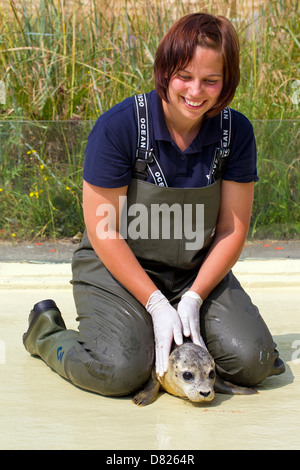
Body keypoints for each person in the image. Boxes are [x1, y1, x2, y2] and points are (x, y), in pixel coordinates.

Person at [23, 12, 285, 396]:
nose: (196, 92)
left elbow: (231, 228)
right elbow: (104, 229)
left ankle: (182, 330)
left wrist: (194, 295)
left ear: (226, 82)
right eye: (185, 76)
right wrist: (156, 303)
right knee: (119, 371)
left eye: (211, 80)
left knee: (254, 362)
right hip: (117, 268)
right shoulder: (120, 127)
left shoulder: (236, 132)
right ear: (165, 71)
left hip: (194, 273)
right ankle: (46, 332)